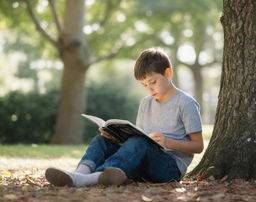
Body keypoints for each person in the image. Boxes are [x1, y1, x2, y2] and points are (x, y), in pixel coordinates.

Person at [45, 47, 204, 187]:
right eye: (144, 85)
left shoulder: (186, 103)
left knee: (140, 143)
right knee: (102, 140)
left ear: (168, 73)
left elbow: (198, 146)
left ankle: (87, 179)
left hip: (169, 169)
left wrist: (169, 142)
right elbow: (138, 139)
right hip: (143, 164)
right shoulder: (145, 103)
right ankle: (79, 173)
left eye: (153, 82)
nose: (149, 89)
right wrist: (116, 137)